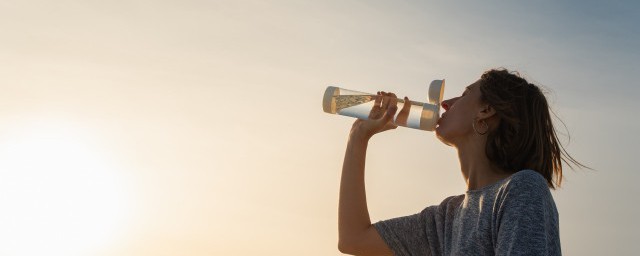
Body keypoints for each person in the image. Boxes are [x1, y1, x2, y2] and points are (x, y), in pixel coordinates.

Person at [337, 69, 587, 256]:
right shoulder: (447, 217)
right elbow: (354, 239)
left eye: (466, 93)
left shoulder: (522, 190)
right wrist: (358, 136)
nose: (445, 103)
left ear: (486, 110)